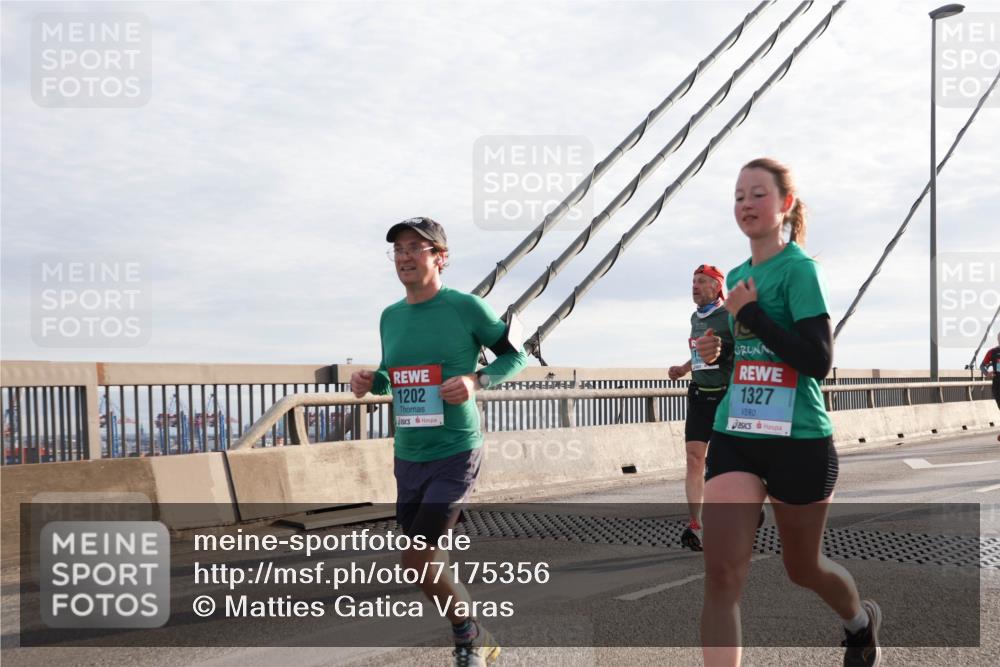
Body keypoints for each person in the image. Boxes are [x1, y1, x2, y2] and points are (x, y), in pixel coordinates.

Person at [695, 159, 881, 667]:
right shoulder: (735, 277)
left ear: (785, 206)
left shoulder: (799, 270)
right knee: (722, 575)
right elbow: (740, 351)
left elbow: (818, 360)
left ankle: (859, 624)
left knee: (803, 567)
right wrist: (719, 347)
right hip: (738, 433)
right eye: (738, 196)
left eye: (758, 194)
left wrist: (751, 314)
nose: (746, 204)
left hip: (799, 439)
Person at [351, 217, 527, 667]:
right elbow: (396, 375)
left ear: (439, 258)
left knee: (418, 556)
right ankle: (474, 632)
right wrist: (372, 379)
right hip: (408, 453)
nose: (405, 256)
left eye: (416, 247)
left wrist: (476, 379)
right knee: (424, 564)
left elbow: (516, 355)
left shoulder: (465, 307)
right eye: (399, 249)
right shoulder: (390, 316)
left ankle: (468, 636)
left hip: (456, 448)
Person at [669, 264, 735, 551]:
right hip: (698, 394)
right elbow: (699, 353)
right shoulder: (695, 317)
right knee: (695, 460)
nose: (694, 285)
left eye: (701, 281)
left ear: (717, 287)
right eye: (693, 280)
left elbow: (742, 351)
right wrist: (683, 368)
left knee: (724, 466)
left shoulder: (730, 316)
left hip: (725, 396)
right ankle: (695, 525)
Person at [979, 332, 1000, 412]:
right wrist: (987, 373)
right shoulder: (992, 352)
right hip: (997, 384)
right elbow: (982, 366)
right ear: (998, 339)